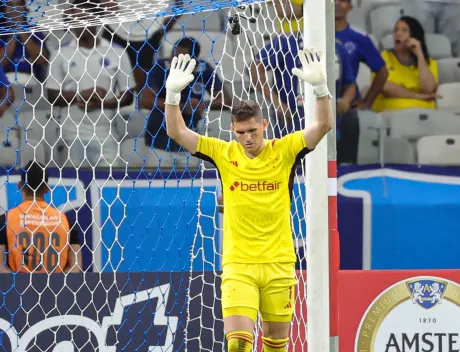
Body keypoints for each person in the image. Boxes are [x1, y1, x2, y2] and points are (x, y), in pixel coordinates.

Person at [164, 49, 333, 351]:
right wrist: (172, 96)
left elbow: (323, 126)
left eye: (253, 130)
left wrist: (321, 90)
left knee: (275, 346)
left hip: (279, 264)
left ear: (264, 126)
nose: (248, 138)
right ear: (233, 130)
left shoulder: (285, 150)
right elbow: (177, 131)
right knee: (238, 345)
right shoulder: (223, 153)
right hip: (238, 265)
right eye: (241, 132)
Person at [46, 0, 136, 167]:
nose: (75, 24)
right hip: (71, 134)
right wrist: (82, 96)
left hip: (106, 134)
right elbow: (51, 95)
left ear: (95, 19)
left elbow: (128, 95)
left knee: (108, 187)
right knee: (73, 188)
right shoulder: (60, 53)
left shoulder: (117, 52)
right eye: (73, 19)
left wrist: (102, 103)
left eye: (80, 18)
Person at [140, 37, 231, 168]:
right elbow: (147, 101)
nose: (175, 60)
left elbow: (225, 101)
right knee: (155, 183)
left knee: (191, 185)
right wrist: (183, 107)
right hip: (159, 141)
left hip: (190, 142)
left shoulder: (204, 69)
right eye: (174, 55)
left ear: (195, 60)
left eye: (181, 57)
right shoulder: (161, 67)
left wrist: (200, 105)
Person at [0, 161, 82, 273]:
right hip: (56, 288)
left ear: (20, 185)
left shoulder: (6, 219)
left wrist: (19, 286)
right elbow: (76, 266)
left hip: (17, 288)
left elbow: (0, 266)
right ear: (47, 189)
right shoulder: (65, 221)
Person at [372, 16, 439, 113]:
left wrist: (419, 54)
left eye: (404, 31)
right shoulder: (384, 57)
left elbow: (429, 90)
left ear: (414, 36)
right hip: (392, 113)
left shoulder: (428, 62)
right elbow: (383, 85)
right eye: (396, 30)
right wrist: (417, 96)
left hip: (424, 114)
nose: (398, 34)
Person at [335, 0, 388, 110]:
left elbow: (382, 72)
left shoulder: (359, 37)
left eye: (343, 1)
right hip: (318, 104)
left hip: (348, 107)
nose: (337, 3)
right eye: (333, 0)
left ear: (350, 7)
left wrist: (367, 102)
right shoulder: (314, 34)